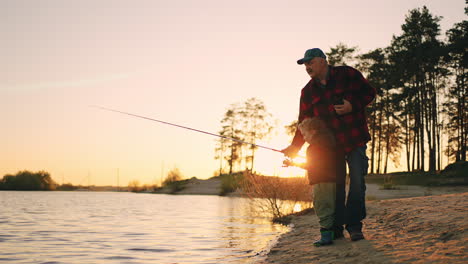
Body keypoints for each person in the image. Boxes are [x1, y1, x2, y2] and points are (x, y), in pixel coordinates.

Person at [282, 48, 376, 241]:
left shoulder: (347, 74)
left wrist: (352, 105)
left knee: (358, 183)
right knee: (337, 188)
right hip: (331, 148)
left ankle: (355, 226)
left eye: (310, 62)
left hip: (355, 139)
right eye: (305, 64)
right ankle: (337, 228)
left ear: (323, 61)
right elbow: (303, 122)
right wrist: (294, 148)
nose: (307, 67)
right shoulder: (307, 92)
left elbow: (370, 93)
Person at [283, 117, 338, 246]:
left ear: (313, 132)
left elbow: (311, 165)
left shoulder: (313, 147)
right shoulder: (327, 143)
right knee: (329, 206)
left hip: (321, 181)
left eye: (304, 134)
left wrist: (292, 163)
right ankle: (331, 234)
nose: (304, 137)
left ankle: (326, 237)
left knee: (321, 207)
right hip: (329, 180)